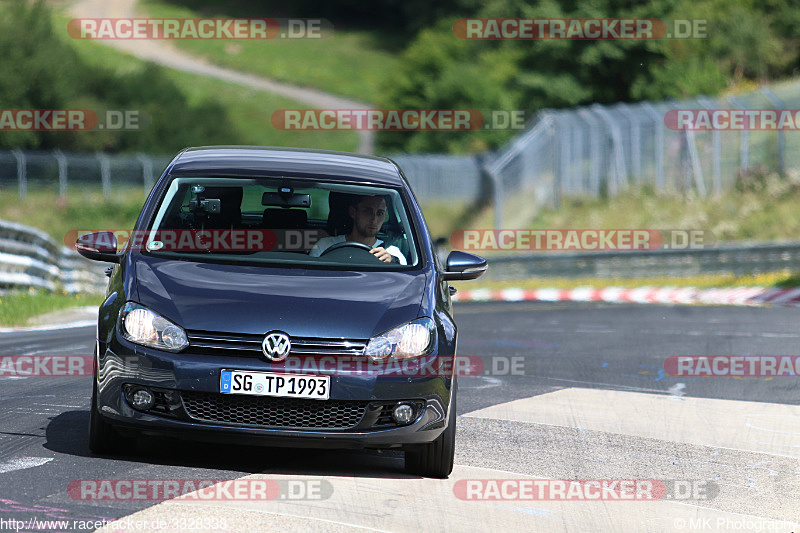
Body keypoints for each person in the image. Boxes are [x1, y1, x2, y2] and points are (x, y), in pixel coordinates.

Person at [309, 195, 407, 264]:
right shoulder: (324, 246)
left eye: (380, 213)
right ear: (353, 212)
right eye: (368, 212)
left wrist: (393, 261)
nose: (374, 219)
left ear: (385, 216)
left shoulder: (392, 253)